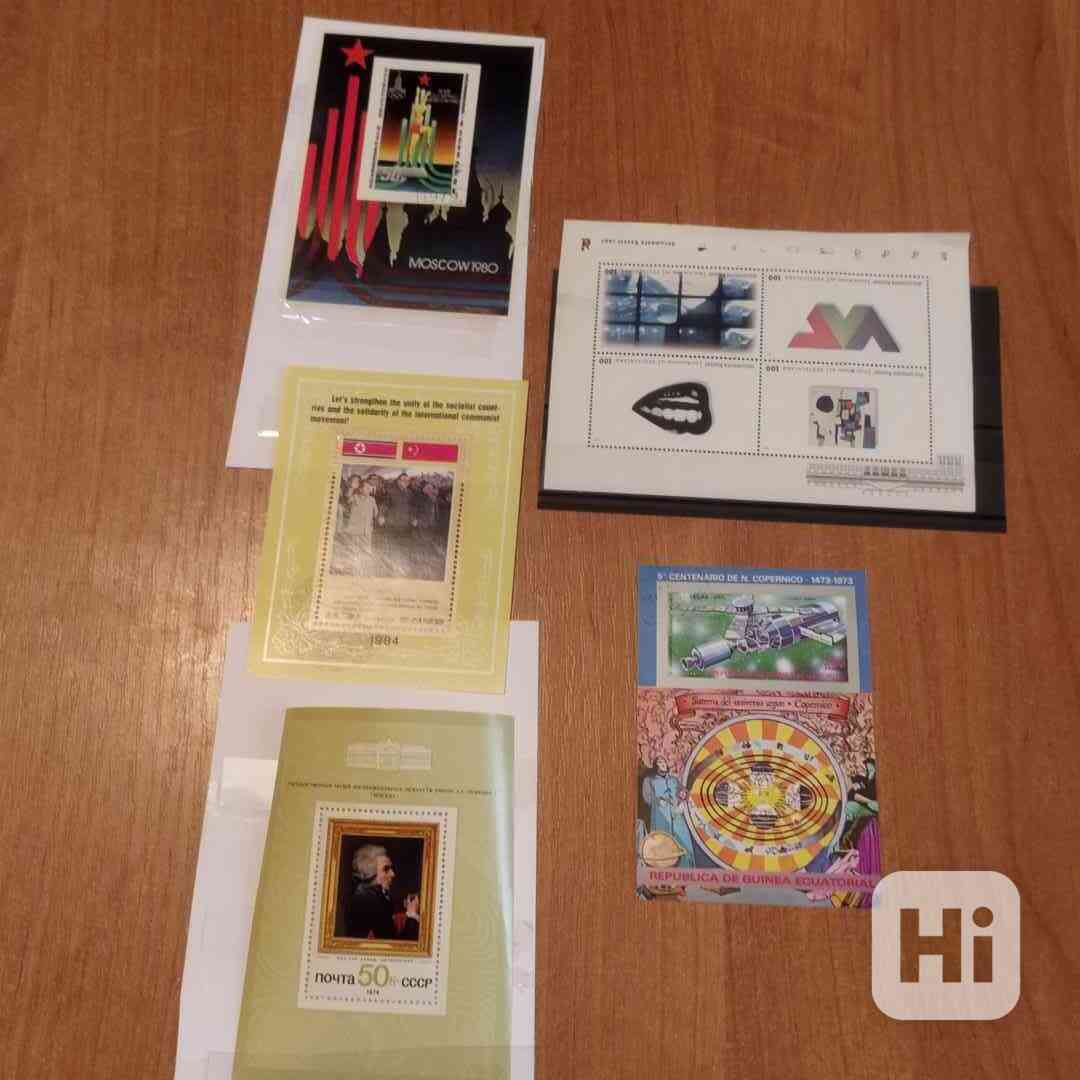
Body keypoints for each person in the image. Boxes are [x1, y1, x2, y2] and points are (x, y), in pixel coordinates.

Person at [344, 844, 420, 941]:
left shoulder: (366, 893)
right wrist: (412, 914)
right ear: (370, 873)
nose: (393, 874)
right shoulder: (371, 902)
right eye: (386, 869)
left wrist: (403, 904)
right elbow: (397, 945)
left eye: (391, 869)